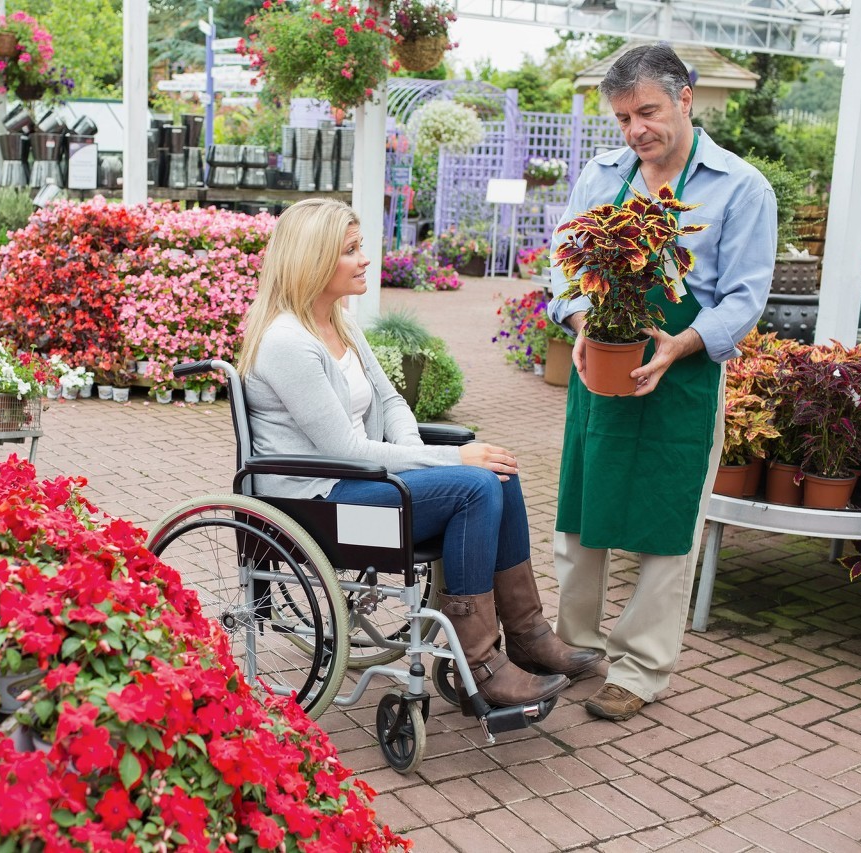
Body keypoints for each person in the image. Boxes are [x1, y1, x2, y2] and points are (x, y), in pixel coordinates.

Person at [239, 198, 601, 713]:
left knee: (496, 470)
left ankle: (527, 635)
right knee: (474, 481)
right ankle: (479, 663)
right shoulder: (286, 342)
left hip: (354, 486)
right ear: (312, 261)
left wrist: (416, 457)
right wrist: (448, 463)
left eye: (360, 246)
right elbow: (343, 450)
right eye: (350, 250)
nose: (365, 258)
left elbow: (390, 401)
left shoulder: (339, 323)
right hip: (315, 509)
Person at [547, 44, 777, 721]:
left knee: (668, 524)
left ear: (685, 98)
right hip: (603, 361)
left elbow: (742, 295)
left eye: (646, 111)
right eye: (621, 118)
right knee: (579, 517)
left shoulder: (740, 186)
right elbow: (562, 265)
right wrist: (585, 319)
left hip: (685, 374)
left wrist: (680, 343)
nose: (634, 130)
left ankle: (641, 668)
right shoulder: (602, 174)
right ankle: (576, 645)